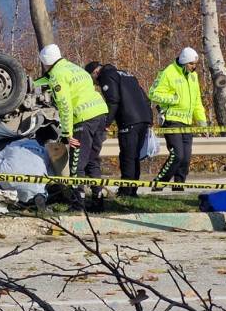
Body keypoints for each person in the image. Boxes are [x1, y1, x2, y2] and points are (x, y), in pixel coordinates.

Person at [38, 44, 108, 211]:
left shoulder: (57, 76)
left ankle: (78, 205)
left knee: (77, 165)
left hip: (83, 119)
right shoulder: (74, 68)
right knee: (92, 160)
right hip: (100, 114)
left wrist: (67, 134)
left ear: (46, 62)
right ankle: (98, 202)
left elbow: (65, 106)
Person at [85, 62, 152, 197]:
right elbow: (145, 98)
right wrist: (149, 118)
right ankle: (132, 190)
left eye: (93, 80)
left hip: (129, 120)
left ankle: (126, 191)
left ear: (95, 73)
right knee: (134, 157)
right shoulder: (127, 74)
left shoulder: (106, 76)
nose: (96, 84)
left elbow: (113, 100)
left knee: (127, 157)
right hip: (143, 118)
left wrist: (106, 122)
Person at [148, 47, 207, 190]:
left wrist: (202, 122)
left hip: (187, 122)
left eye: (195, 64)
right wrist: (173, 99)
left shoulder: (193, 76)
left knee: (186, 158)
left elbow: (197, 101)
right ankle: (160, 182)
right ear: (185, 62)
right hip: (171, 120)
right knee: (177, 155)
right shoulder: (168, 72)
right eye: (192, 64)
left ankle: (178, 185)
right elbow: (152, 93)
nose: (194, 67)